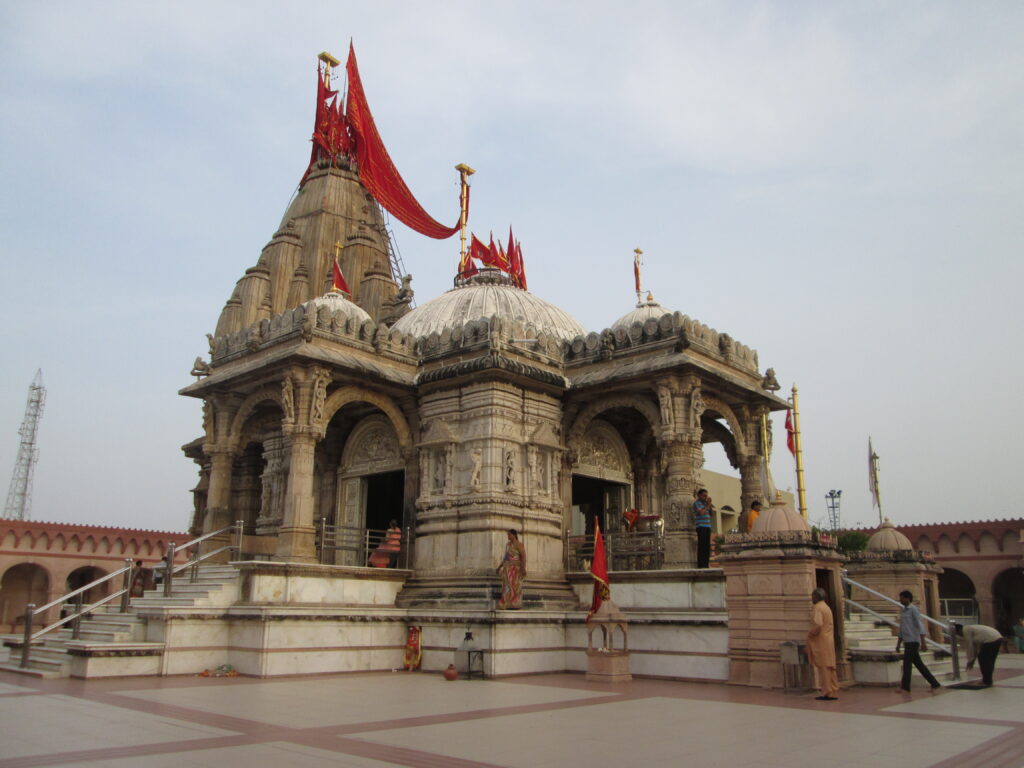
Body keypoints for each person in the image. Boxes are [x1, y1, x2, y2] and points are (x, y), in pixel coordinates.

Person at [896, 590, 941, 693]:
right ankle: (934, 683)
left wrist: (923, 641)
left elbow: (920, 625)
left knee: (907, 664)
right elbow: (902, 628)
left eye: (902, 598)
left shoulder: (913, 609)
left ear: (907, 598)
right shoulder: (903, 611)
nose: (901, 600)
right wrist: (898, 643)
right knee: (919, 664)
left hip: (913, 641)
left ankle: (905, 687)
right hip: (907, 641)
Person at [806, 588, 839, 701]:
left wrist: (811, 634)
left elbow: (818, 624)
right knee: (830, 667)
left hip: (821, 641)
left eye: (813, 596)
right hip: (828, 640)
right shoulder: (827, 607)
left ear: (816, 597)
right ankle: (833, 691)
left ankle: (826, 692)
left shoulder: (818, 608)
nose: (812, 598)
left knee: (824, 668)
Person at [497, 529, 526, 609]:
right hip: (507, 569)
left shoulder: (519, 545)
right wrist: (499, 567)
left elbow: (523, 557)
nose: (508, 536)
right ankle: (507, 603)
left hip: (515, 569)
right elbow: (506, 557)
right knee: (506, 586)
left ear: (514, 535)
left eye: (509, 535)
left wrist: (523, 568)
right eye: (508, 535)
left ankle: (515, 603)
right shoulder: (508, 545)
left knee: (515, 586)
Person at [692, 489, 713, 568]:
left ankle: (706, 563)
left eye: (706, 496)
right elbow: (701, 513)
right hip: (701, 526)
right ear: (699, 495)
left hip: (707, 526)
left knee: (707, 546)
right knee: (702, 546)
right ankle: (701, 564)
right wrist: (707, 505)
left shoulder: (705, 504)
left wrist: (709, 505)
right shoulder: (696, 503)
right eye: (704, 495)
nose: (705, 497)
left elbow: (711, 514)